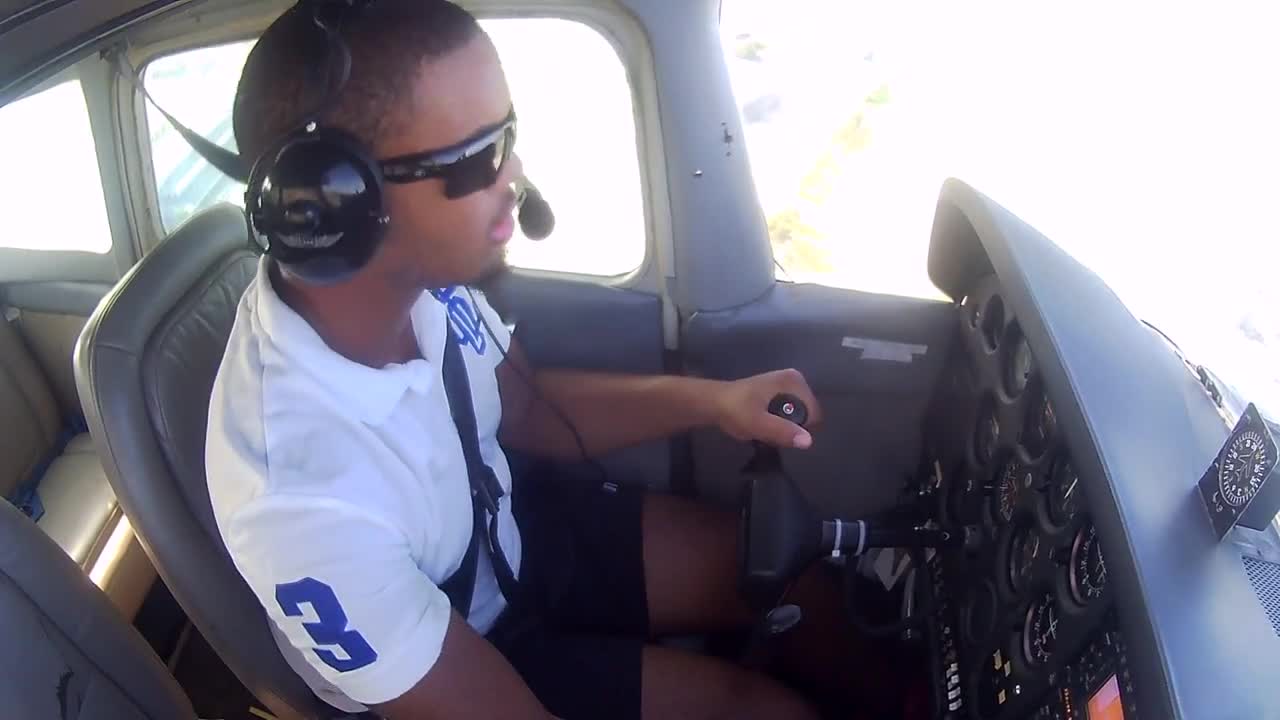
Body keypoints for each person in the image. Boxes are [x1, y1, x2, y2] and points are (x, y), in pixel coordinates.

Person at [207, 2, 886, 718]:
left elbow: (526, 407)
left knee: (796, 571)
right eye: (477, 160)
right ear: (336, 208)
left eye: (509, 137)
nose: (517, 176)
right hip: (466, 640)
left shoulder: (425, 284)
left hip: (513, 531)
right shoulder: (302, 501)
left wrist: (717, 401)